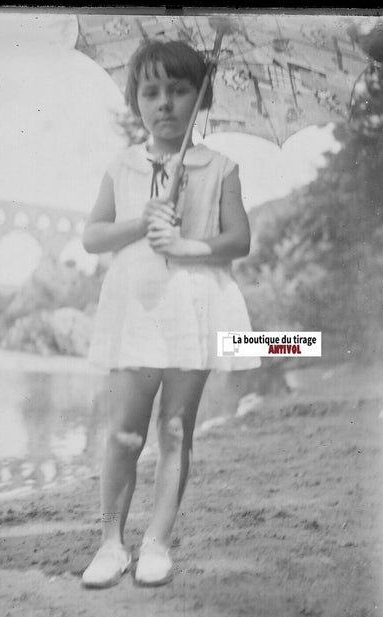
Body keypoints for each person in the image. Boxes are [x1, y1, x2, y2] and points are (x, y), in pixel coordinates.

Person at [81, 40, 259, 589]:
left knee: (177, 428)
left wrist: (189, 247)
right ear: (136, 100)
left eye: (180, 90)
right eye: (151, 91)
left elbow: (240, 240)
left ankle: (156, 541)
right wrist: (142, 222)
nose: (165, 103)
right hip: (137, 302)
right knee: (125, 434)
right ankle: (111, 543)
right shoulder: (124, 165)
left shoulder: (220, 167)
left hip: (193, 301)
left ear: (199, 100)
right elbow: (93, 237)